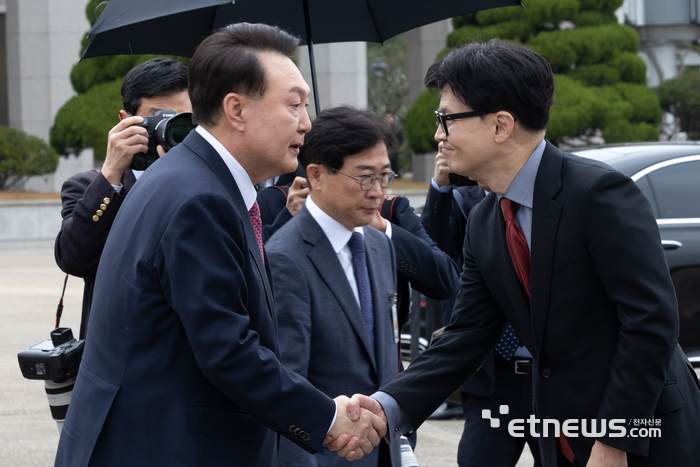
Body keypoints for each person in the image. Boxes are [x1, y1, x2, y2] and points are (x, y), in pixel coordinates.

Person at [340, 39, 700, 467]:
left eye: (447, 118)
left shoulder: (598, 194)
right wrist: (385, 406)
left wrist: (613, 440)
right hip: (560, 440)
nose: (438, 134)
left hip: (642, 440)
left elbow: (651, 324)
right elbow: (466, 335)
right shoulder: (486, 220)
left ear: (500, 125)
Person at [54, 23, 385, 467]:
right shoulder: (201, 199)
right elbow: (228, 350)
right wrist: (328, 417)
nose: (307, 123)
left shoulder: (189, 179)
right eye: (293, 105)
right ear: (236, 110)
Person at [267, 106, 402, 466]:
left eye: (384, 177)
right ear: (316, 175)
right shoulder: (285, 258)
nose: (377, 192)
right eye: (364, 177)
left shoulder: (378, 244)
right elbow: (286, 387)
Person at [54, 57, 190, 339]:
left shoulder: (204, 182)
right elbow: (73, 258)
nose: (170, 128)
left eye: (182, 118)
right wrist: (112, 171)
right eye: (160, 116)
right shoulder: (89, 186)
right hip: (120, 351)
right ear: (125, 120)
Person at [422, 154, 542, 466]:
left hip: (551, 382)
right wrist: (441, 187)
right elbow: (433, 256)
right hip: (492, 380)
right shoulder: (468, 203)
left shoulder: (554, 200)